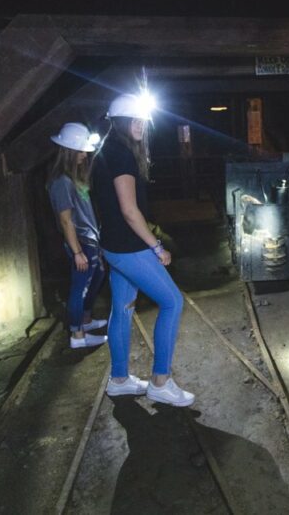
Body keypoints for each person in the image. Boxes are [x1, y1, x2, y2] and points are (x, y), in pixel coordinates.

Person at [91, 92, 195, 407]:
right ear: (121, 122)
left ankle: (119, 380)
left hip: (112, 246)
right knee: (173, 302)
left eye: (142, 120)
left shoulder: (105, 151)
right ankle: (160, 382)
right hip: (130, 247)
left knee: (122, 308)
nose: (140, 125)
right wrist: (157, 246)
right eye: (135, 120)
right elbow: (129, 210)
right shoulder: (121, 155)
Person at [47, 122, 108, 349]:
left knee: (97, 276)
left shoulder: (73, 178)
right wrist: (77, 252)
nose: (84, 155)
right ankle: (77, 336)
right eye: (81, 151)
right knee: (79, 287)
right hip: (80, 242)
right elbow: (65, 220)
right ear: (69, 151)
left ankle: (85, 321)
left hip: (89, 239)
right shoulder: (61, 182)